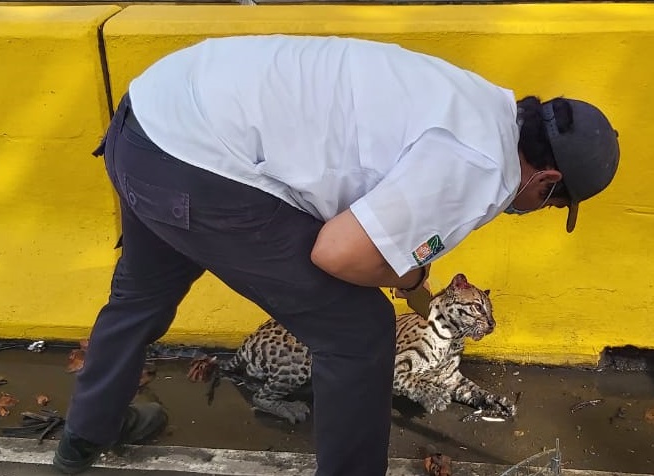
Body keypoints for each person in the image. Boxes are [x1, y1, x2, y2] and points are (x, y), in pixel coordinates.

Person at [53, 34, 619, 476]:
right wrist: (408, 270)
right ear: (545, 182)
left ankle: (84, 436)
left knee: (140, 296)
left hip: (151, 117)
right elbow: (339, 254)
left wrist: (406, 266)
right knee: (358, 329)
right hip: (198, 165)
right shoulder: (482, 169)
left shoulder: (477, 100)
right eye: (549, 202)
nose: (534, 207)